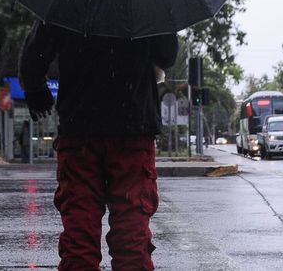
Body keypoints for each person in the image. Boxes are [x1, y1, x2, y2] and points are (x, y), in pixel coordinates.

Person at [19, 20, 178, 271]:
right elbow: (167, 55)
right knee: (131, 235)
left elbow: (32, 59)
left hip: (80, 129)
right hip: (132, 129)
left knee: (79, 234)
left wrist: (37, 92)